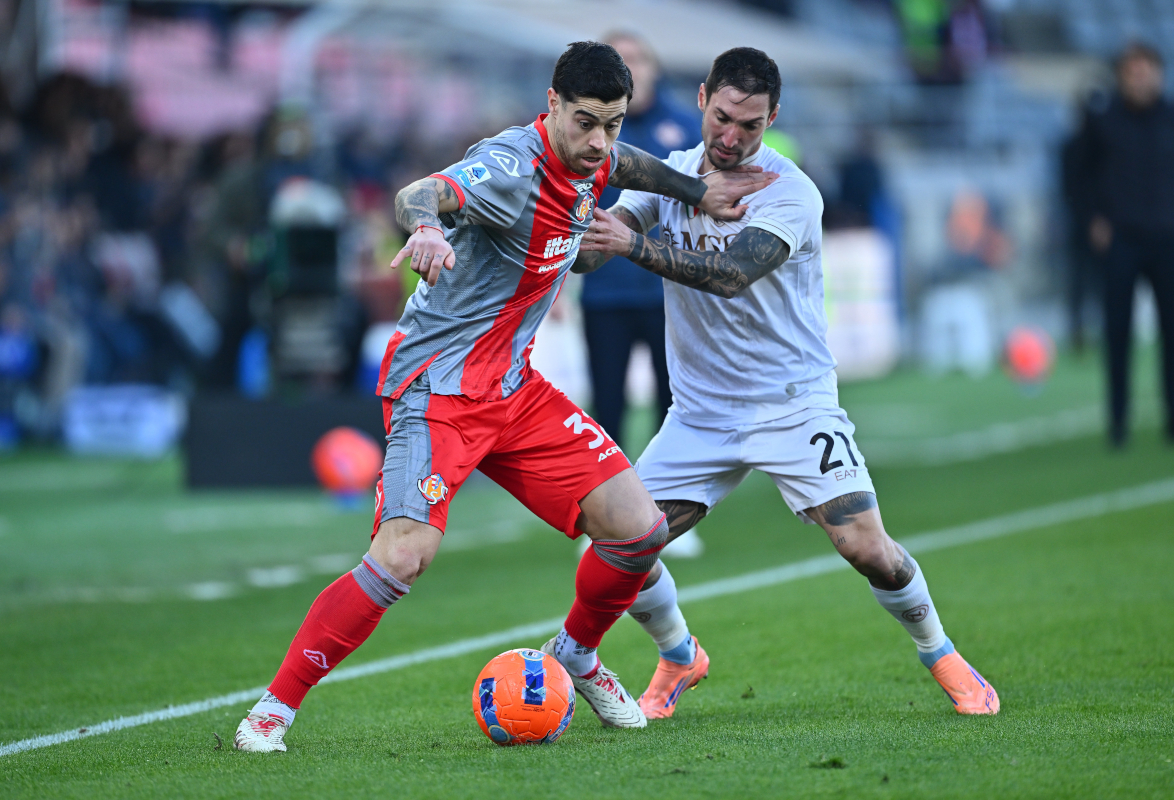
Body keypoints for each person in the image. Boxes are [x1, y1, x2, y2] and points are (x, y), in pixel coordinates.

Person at [232, 41, 776, 751]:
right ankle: (272, 710)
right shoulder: (510, 168)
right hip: (439, 390)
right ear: (550, 105)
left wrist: (698, 192)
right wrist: (427, 225)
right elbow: (421, 192)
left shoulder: (598, 151)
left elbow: (628, 163)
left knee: (639, 529)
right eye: (586, 122)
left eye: (612, 122)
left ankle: (577, 654)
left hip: (513, 389)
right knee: (402, 556)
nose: (600, 141)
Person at [576, 47, 999, 721]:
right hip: (700, 414)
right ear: (703, 99)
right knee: (618, 545)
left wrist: (630, 247)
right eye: (722, 117)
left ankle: (940, 650)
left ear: (774, 117)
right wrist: (592, 239)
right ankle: (680, 654)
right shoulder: (672, 174)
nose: (731, 136)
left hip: (792, 405)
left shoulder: (791, 192)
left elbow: (730, 273)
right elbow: (608, 239)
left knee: (866, 547)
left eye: (750, 124)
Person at [581, 32, 700, 449]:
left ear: (655, 67)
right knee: (607, 405)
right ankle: (609, 501)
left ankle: (667, 497)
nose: (630, 68)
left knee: (675, 403)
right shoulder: (585, 131)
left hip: (668, 290)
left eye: (637, 58)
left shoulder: (687, 127)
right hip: (603, 291)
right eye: (619, 60)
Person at [1079, 42, 1174, 446]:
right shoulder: (1103, 121)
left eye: (1146, 69)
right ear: (1121, 76)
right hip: (1122, 238)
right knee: (1117, 333)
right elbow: (1082, 176)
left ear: (1159, 73)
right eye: (1132, 71)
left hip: (1169, 237)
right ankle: (1118, 422)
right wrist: (1094, 219)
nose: (1139, 77)